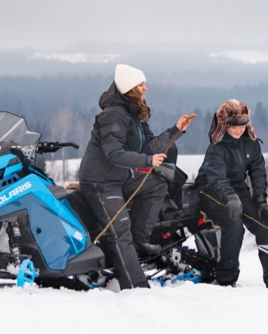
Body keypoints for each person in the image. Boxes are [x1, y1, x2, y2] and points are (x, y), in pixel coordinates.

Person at [78, 64, 191, 289]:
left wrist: (176, 129)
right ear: (130, 87)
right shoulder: (113, 115)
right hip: (100, 182)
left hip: (120, 176)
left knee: (157, 184)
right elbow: (113, 153)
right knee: (119, 234)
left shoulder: (133, 112)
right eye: (141, 84)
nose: (145, 88)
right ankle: (137, 288)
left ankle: (140, 241)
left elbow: (149, 145)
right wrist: (146, 161)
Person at [196, 99, 268, 289]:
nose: (238, 129)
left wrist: (261, 200)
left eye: (242, 124)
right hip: (211, 191)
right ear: (224, 124)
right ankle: (226, 278)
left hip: (238, 189)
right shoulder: (216, 146)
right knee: (235, 224)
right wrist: (229, 198)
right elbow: (216, 178)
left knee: (265, 224)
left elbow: (258, 172)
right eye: (233, 125)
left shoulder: (251, 143)